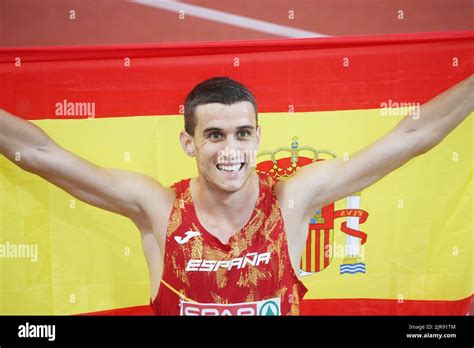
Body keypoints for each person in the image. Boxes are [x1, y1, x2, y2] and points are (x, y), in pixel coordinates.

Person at [0, 76, 472, 315]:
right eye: (215, 135)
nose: (231, 151)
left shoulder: (292, 202)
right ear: (190, 143)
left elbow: (411, 136)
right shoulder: (158, 208)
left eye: (243, 134)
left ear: (258, 137)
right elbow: (39, 153)